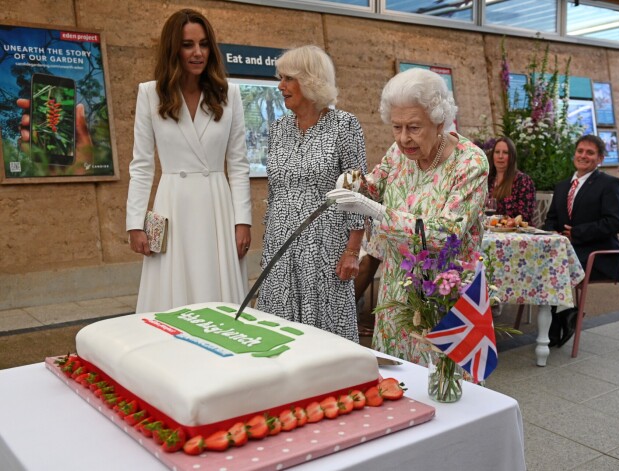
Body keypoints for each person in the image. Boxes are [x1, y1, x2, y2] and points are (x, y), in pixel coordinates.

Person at [328, 67, 489, 364]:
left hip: (444, 292)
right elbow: (375, 184)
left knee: (444, 387)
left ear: (439, 121)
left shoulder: (470, 162)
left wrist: (376, 211)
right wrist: (353, 182)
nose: (403, 139)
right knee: (397, 380)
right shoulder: (399, 152)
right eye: (396, 127)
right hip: (397, 289)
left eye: (414, 127)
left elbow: (446, 233)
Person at [126, 9, 251, 313]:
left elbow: (238, 164)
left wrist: (242, 221)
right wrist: (135, 223)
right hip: (173, 204)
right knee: (172, 298)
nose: (198, 52)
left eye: (204, 44)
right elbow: (142, 165)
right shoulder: (150, 94)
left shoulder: (228, 94)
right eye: (188, 45)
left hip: (217, 206)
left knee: (218, 293)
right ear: (173, 49)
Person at [255, 45, 367, 343]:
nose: (281, 86)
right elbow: (275, 189)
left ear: (310, 80)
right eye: (281, 79)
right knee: (279, 333)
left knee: (324, 337)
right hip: (281, 245)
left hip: (325, 248)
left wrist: (353, 251)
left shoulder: (345, 125)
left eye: (288, 79)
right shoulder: (278, 128)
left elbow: (356, 190)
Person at [544, 134, 619, 347]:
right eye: (580, 151)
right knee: (541, 262)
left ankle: (556, 325)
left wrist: (577, 232)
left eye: (590, 153)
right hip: (568, 253)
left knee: (554, 267)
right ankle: (564, 315)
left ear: (600, 159)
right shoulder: (563, 186)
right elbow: (551, 219)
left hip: (599, 255)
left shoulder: (609, 184)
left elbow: (616, 222)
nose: (583, 156)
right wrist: (554, 232)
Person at [487, 136, 536, 223]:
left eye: (505, 152)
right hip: (491, 231)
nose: (500, 156)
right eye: (497, 152)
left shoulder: (523, 181)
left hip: (516, 234)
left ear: (512, 157)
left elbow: (525, 216)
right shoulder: (488, 180)